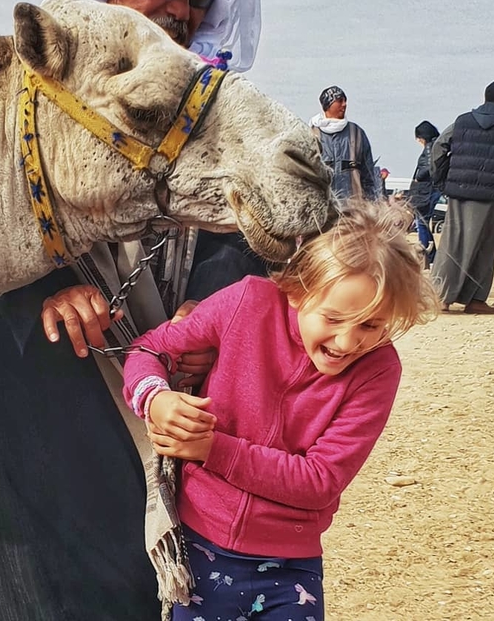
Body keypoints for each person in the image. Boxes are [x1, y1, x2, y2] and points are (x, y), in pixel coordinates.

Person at [0, 0, 267, 621]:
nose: (182, 11)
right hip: (46, 388)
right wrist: (45, 289)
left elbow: (245, 227)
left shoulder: (216, 110)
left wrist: (217, 302)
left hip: (176, 391)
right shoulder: (21, 96)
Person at [122, 200, 439, 620]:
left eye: (371, 325)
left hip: (292, 571)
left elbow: (320, 480)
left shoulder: (378, 370)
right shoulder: (247, 302)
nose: (347, 343)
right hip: (197, 551)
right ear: (297, 290)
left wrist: (212, 449)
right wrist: (155, 398)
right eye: (333, 318)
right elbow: (149, 348)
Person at [430, 80, 494, 314]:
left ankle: (441, 297)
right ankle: (475, 300)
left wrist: (442, 180)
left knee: (452, 243)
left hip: (459, 191)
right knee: (485, 246)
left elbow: (439, 148)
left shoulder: (462, 121)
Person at [310, 85, 379, 202]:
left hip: (354, 209)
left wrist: (372, 202)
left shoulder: (357, 133)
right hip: (323, 208)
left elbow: (368, 174)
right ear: (328, 104)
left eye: (345, 100)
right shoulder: (312, 135)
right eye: (340, 101)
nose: (344, 104)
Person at [408, 120, 441, 267]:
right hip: (430, 190)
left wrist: (418, 177)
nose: (418, 141)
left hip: (425, 191)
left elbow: (428, 167)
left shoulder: (429, 148)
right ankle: (433, 256)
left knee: (421, 223)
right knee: (423, 223)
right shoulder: (436, 145)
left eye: (418, 138)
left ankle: (426, 255)